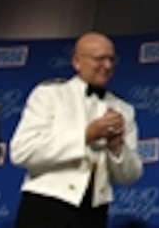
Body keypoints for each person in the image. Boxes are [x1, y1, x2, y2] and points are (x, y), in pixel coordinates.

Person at [9, 31, 143, 228]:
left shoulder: (124, 109)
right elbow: (21, 152)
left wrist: (117, 147)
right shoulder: (49, 95)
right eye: (99, 59)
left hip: (94, 213)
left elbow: (130, 176)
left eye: (111, 59)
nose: (107, 66)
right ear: (77, 62)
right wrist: (85, 136)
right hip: (46, 205)